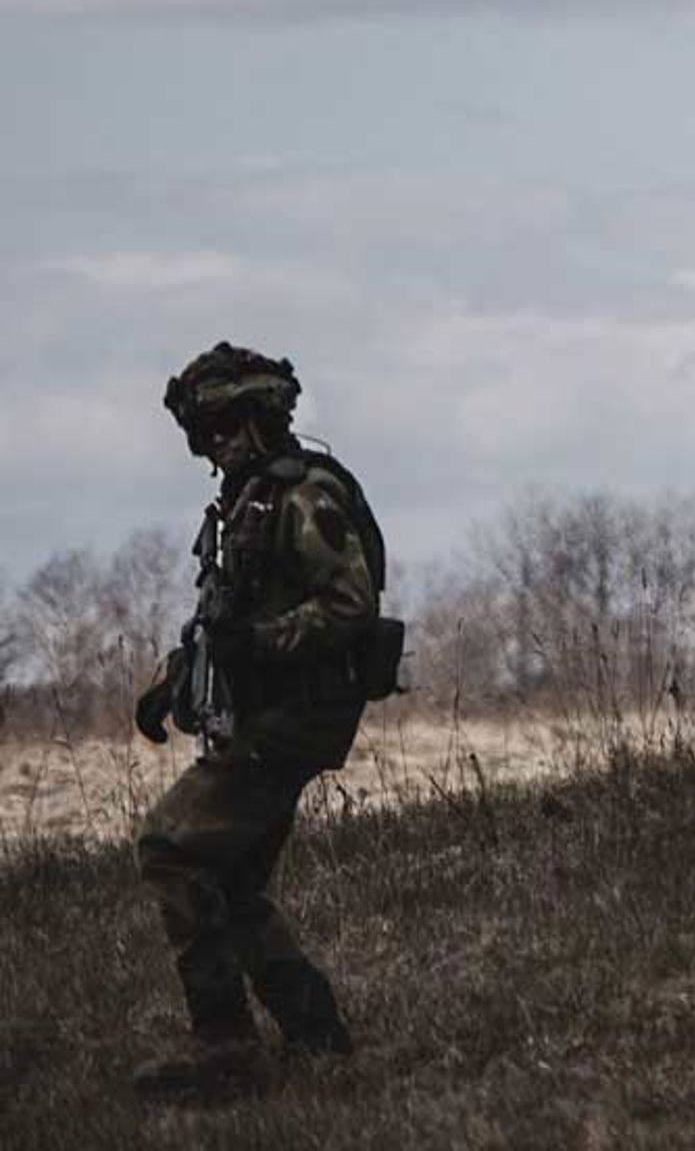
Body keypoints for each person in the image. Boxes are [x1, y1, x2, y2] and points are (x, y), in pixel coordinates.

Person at [127, 343, 386, 1099]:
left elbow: (349, 605)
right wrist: (173, 681)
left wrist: (260, 646)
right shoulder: (248, 499)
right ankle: (316, 1033)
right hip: (268, 712)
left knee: (172, 848)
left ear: (256, 417)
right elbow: (229, 618)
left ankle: (227, 1050)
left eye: (219, 427)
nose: (209, 445)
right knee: (231, 877)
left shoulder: (302, 495)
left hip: (295, 715)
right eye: (201, 433)